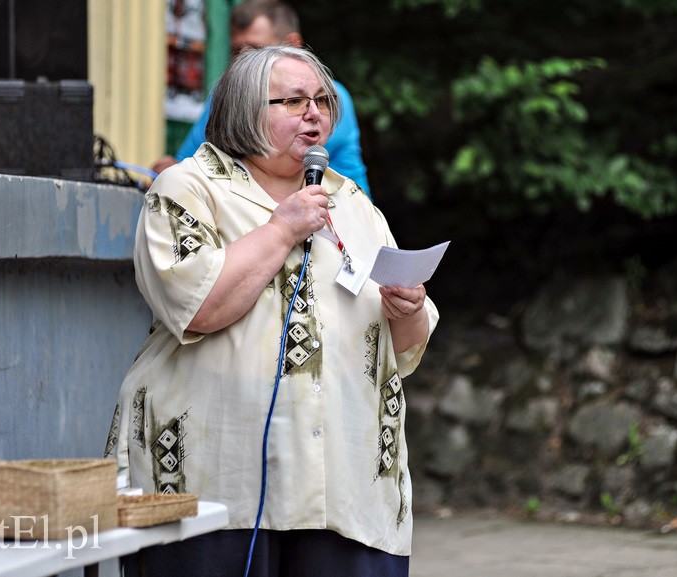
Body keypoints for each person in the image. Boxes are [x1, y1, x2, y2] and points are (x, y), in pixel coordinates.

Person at [106, 45, 438, 576]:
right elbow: (197, 307)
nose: (315, 113)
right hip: (214, 482)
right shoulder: (187, 189)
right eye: (294, 101)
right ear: (243, 111)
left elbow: (402, 347)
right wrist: (283, 229)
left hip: (346, 489)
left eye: (322, 101)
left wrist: (408, 308)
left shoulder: (352, 204)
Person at [153, 0, 371, 195]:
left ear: (293, 44)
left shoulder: (332, 97)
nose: (243, 61)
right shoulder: (228, 90)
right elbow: (191, 163)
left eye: (257, 50)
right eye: (237, 51)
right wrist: (172, 174)